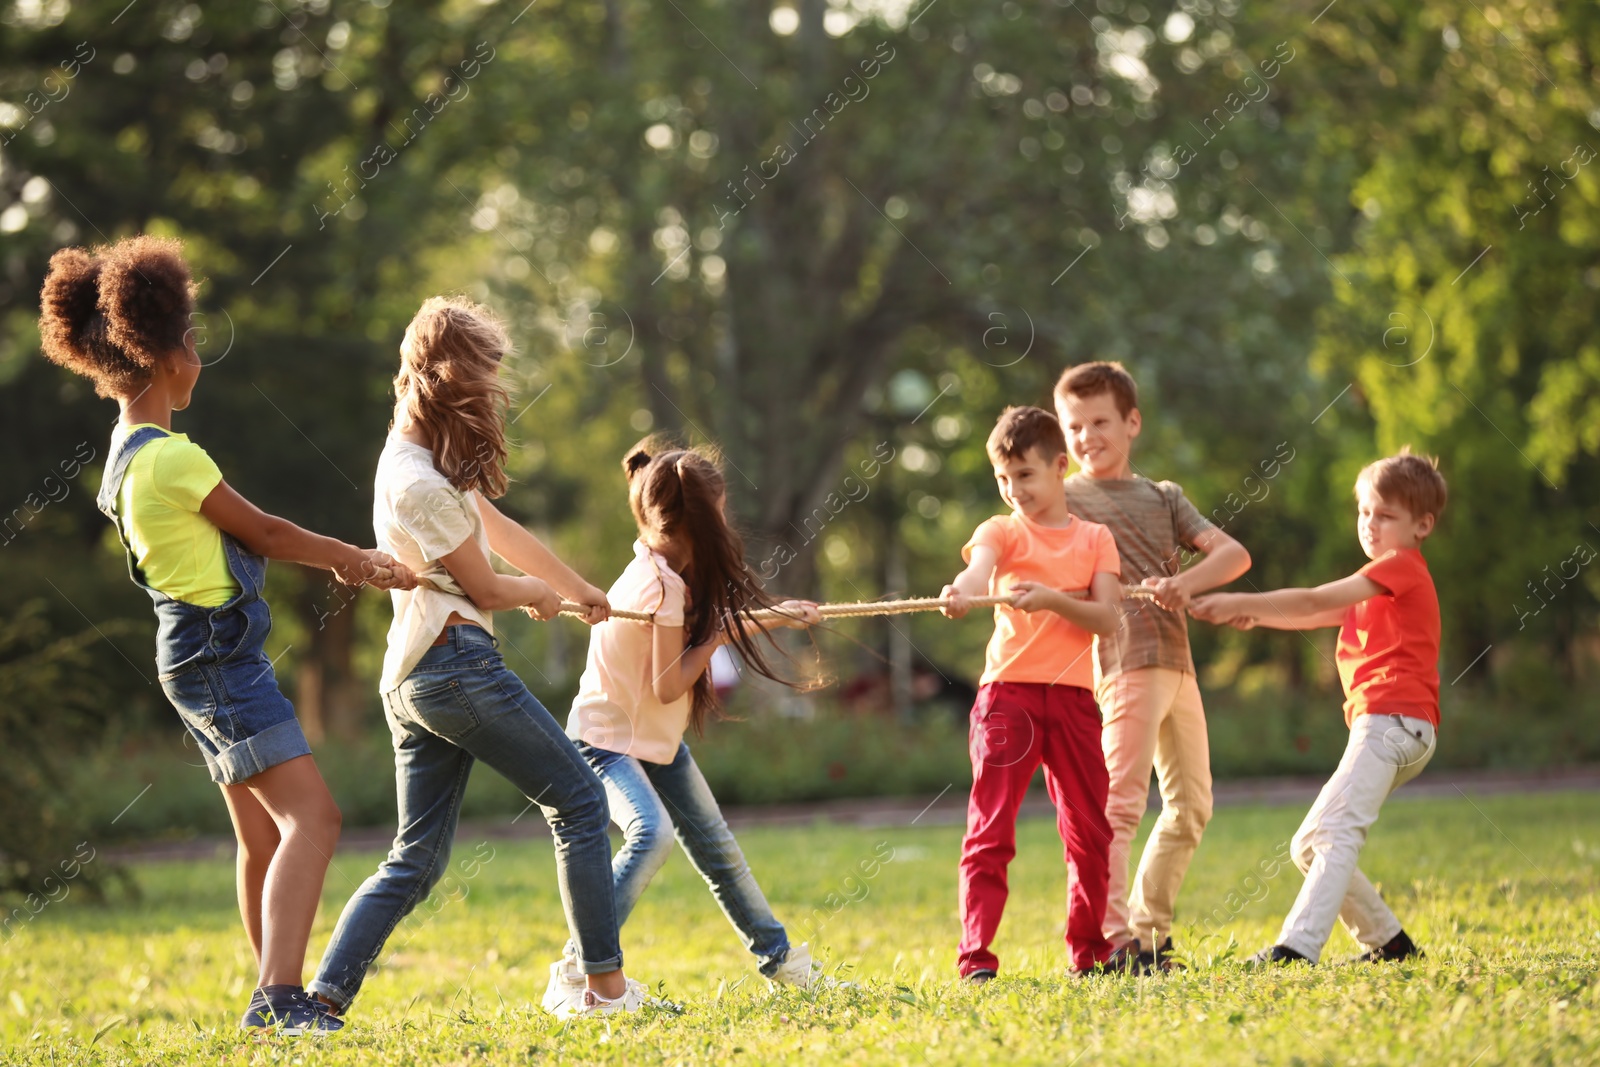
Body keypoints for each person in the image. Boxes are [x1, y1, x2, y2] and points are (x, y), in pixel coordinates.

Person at [38, 237, 413, 1034]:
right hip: (218, 657)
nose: (200, 355)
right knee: (316, 819)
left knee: (260, 833)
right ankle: (279, 996)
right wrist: (360, 560)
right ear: (169, 357)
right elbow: (269, 532)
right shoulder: (173, 458)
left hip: (194, 655)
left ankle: (272, 988)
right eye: (195, 341)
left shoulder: (121, 458)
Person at [307, 296, 650, 1019]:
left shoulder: (416, 460)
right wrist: (537, 595)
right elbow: (487, 584)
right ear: (448, 377)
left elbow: (501, 531)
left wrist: (578, 588)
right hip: (453, 664)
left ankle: (322, 999)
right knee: (582, 801)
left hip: (415, 674)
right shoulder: (418, 483)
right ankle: (604, 991)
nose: (491, 395)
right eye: (483, 377)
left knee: (416, 858)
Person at [543, 439, 826, 1009]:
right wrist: (726, 633)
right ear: (695, 519)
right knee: (650, 836)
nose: (724, 526)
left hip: (652, 741)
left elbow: (698, 640)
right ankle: (578, 968)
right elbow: (671, 683)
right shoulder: (660, 586)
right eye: (719, 515)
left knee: (718, 850)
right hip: (605, 742)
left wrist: (773, 615)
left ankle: (782, 961)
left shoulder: (662, 565)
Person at [1191, 449, 1446, 966]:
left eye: (1386, 516)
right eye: (1365, 512)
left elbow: (1310, 599)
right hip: (1394, 729)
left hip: (1391, 723)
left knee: (1335, 833)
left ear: (1422, 525)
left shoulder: (1400, 569)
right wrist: (1255, 618)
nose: (1370, 524)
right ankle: (1390, 943)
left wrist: (1240, 601)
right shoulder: (1380, 581)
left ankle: (1296, 947)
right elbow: (1309, 613)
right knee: (1309, 844)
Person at [1054, 361, 1253, 971]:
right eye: (1074, 426)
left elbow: (1235, 556)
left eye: (1101, 422)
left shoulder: (1164, 497)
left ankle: (1147, 933)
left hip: (1179, 665)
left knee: (1193, 806)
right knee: (1119, 805)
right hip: (1123, 664)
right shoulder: (1064, 500)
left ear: (1132, 422)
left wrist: (1183, 582)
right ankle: (1109, 940)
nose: (1087, 437)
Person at [940, 406, 1129, 980]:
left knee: (1091, 832)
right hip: (1008, 700)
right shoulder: (1000, 530)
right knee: (991, 829)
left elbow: (1107, 618)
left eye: (1025, 475)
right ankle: (976, 959)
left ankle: (1090, 952)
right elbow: (980, 571)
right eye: (1003, 478)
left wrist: (1051, 598)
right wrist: (963, 590)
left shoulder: (1096, 539)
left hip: (1073, 701)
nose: (1013, 490)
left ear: (1059, 467)